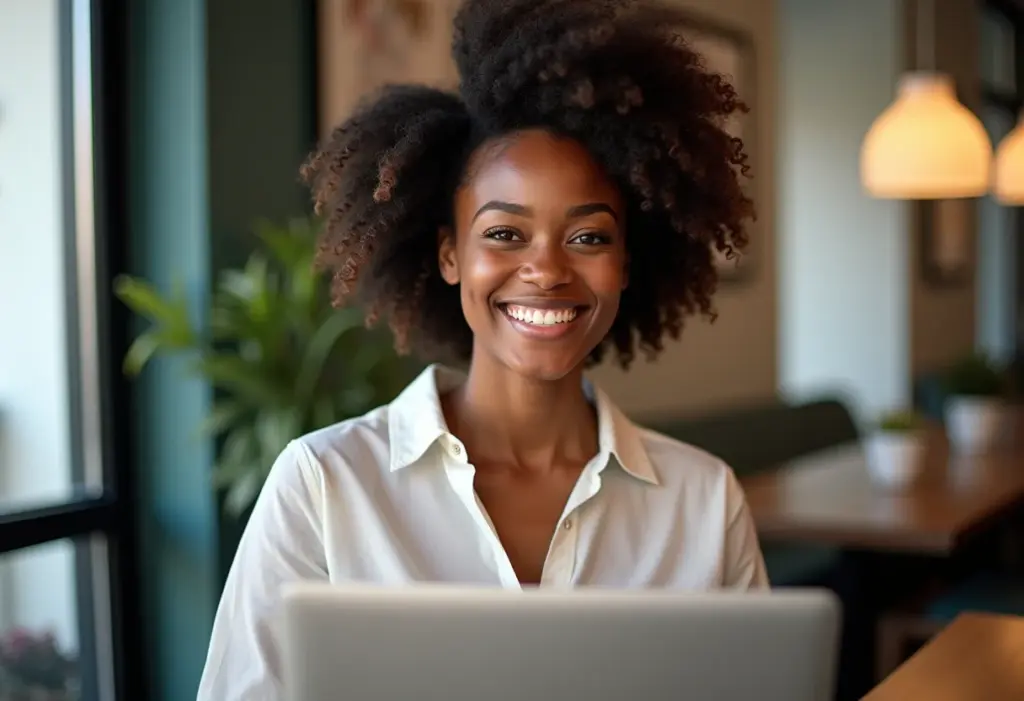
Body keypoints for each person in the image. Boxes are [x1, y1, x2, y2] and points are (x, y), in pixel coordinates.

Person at [197, 0, 766, 698]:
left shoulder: (704, 501)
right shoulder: (323, 485)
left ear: (624, 265)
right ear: (449, 255)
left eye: (588, 237)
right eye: (504, 233)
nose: (548, 269)